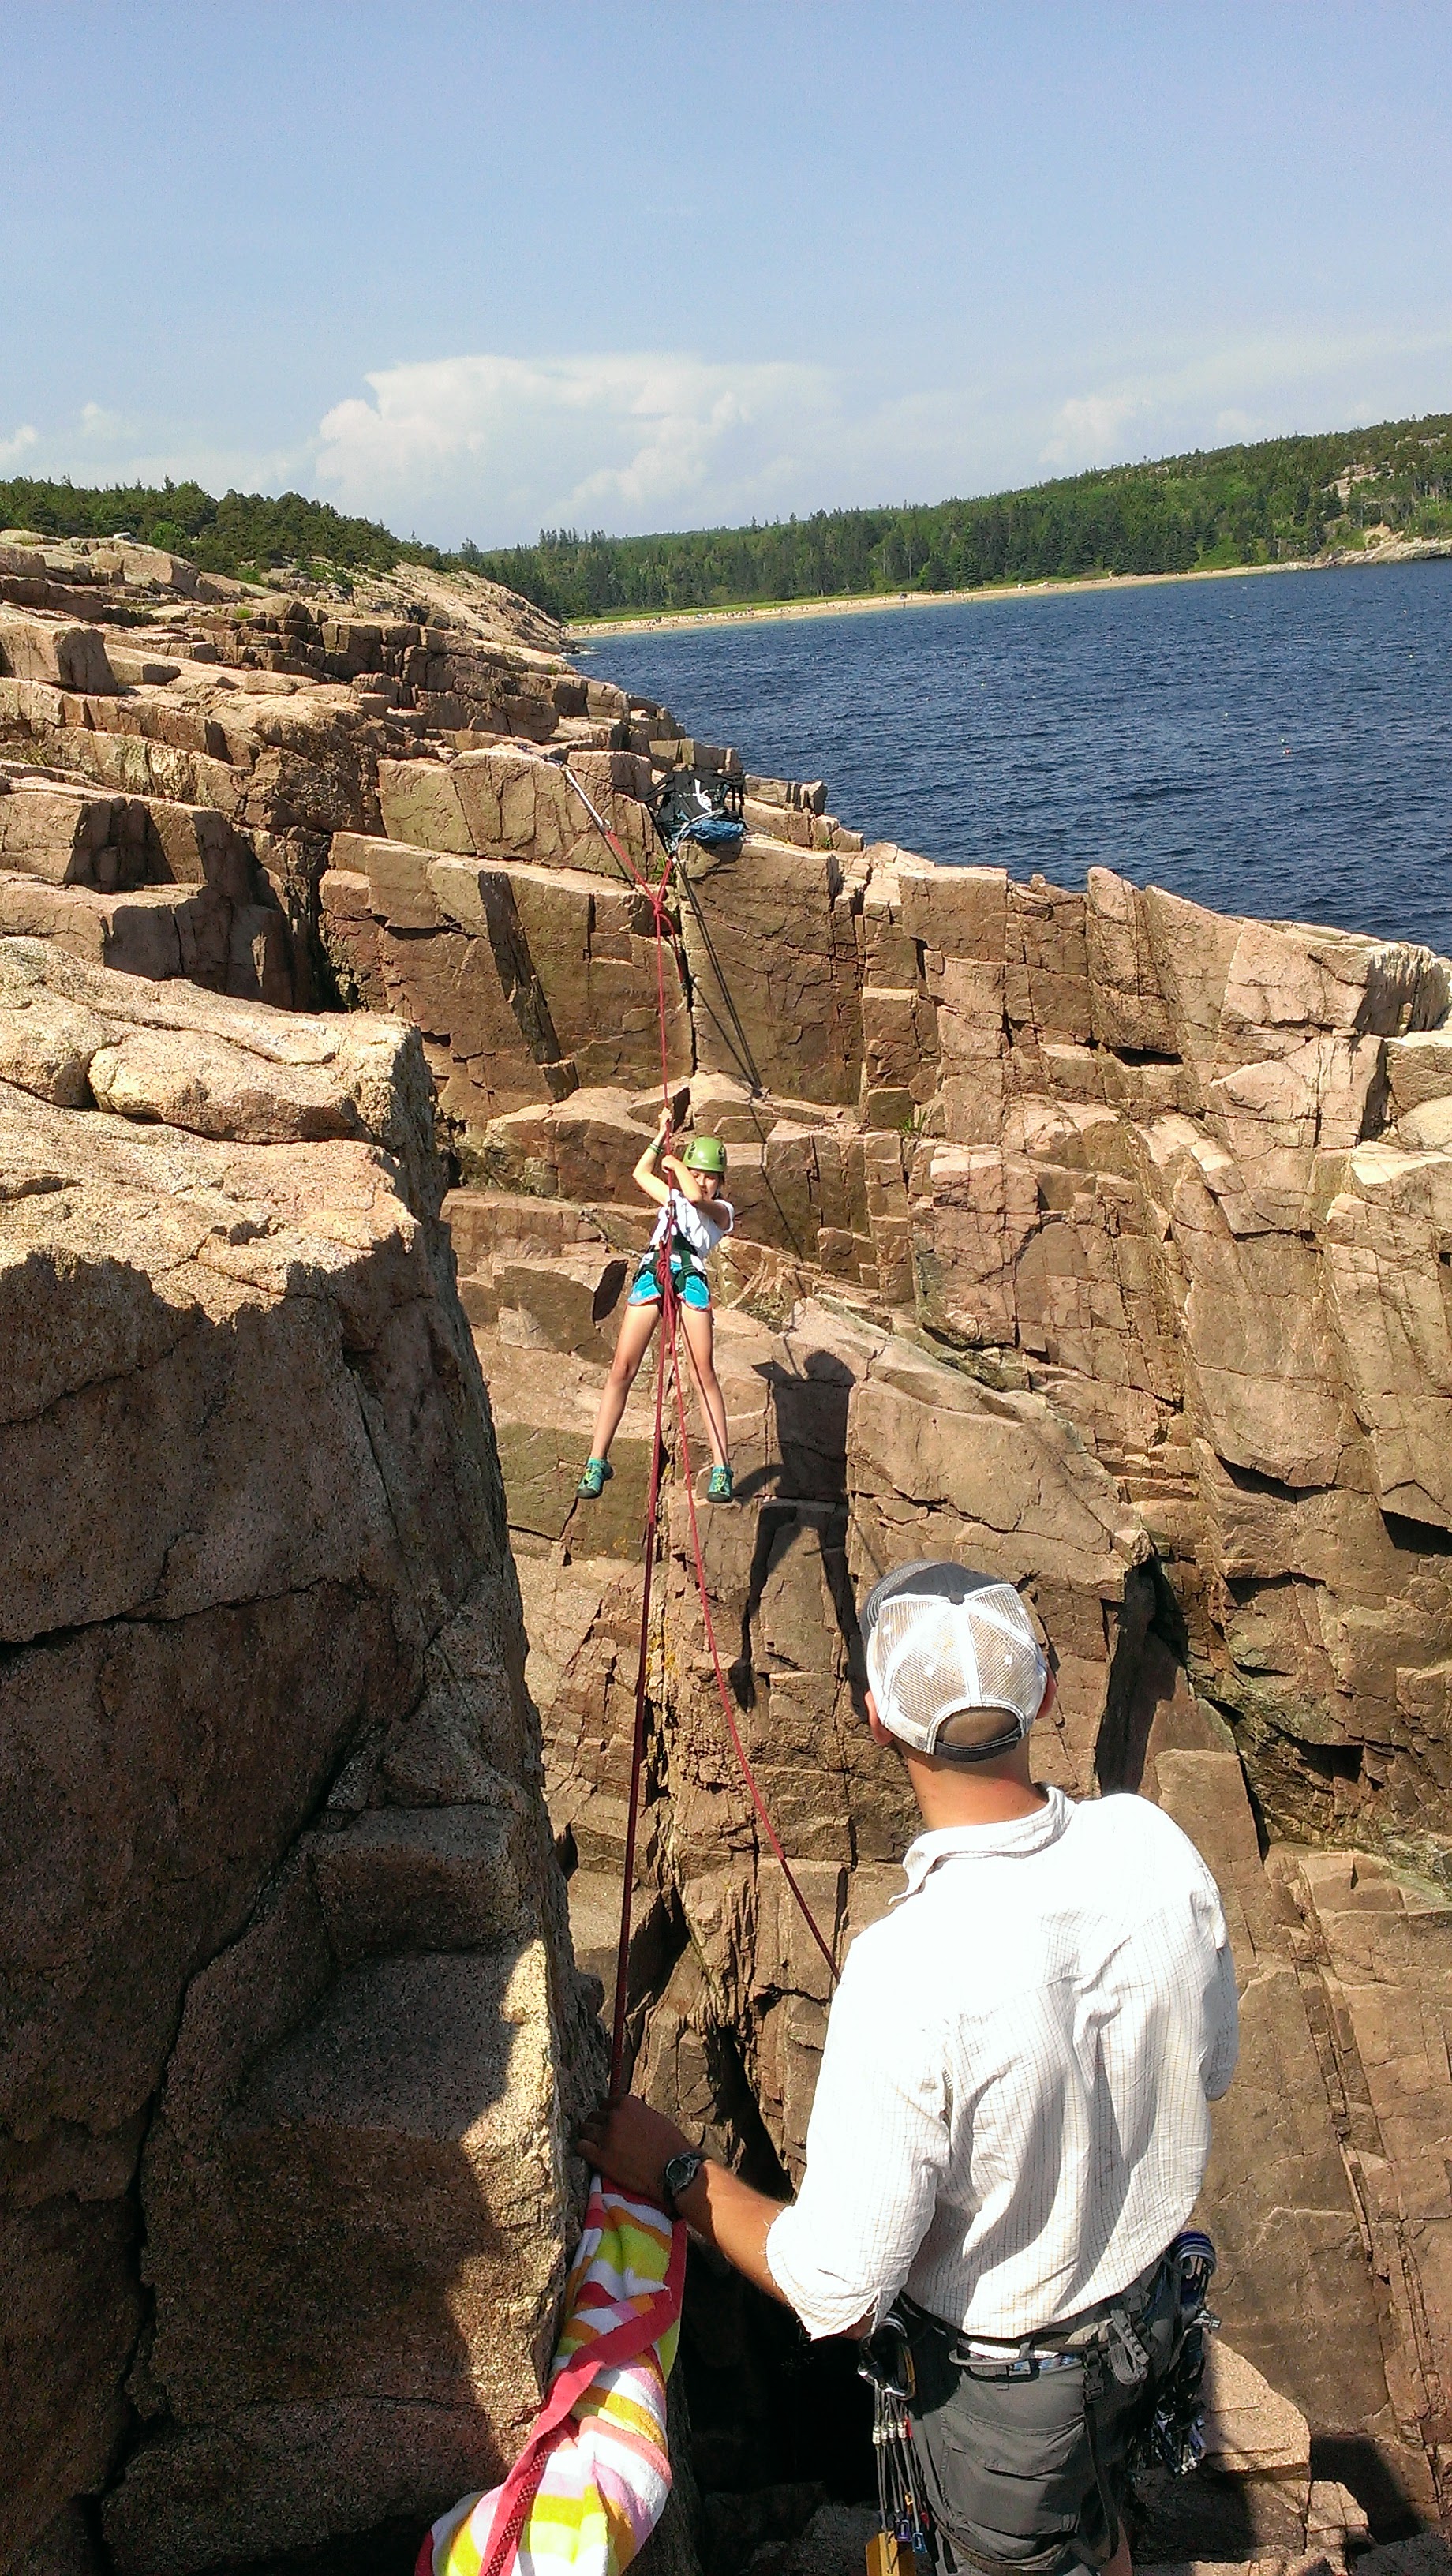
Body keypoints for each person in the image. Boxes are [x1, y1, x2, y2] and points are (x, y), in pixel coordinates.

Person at [580, 1560, 1240, 2576]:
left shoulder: (906, 1970)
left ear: (876, 1719)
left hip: (1011, 2403)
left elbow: (837, 2289)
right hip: (1150, 2322)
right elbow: (1213, 2066)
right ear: (1047, 1693)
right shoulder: (1151, 1843)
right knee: (1101, 2520)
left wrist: (677, 2173)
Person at [577, 1106, 736, 1505]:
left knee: (703, 1373)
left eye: (710, 1177)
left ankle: (721, 1467)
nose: (702, 1181)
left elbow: (697, 1197)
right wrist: (660, 1136)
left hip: (691, 1280)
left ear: (720, 1183)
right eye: (696, 1172)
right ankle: (597, 1459)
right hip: (654, 1270)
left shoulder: (721, 1212)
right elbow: (639, 1173)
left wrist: (676, 1162)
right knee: (622, 1368)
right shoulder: (673, 1198)